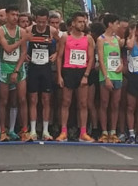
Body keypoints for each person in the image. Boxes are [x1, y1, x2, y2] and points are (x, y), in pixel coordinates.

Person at [55, 11, 95, 142]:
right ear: (73, 23)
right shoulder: (65, 37)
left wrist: (86, 75)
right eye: (79, 21)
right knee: (66, 102)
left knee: (83, 103)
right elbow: (59, 57)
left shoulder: (88, 38)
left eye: (84, 22)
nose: (82, 24)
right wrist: (59, 76)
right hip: (68, 71)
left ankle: (83, 132)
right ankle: (63, 131)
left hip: (82, 71)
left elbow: (91, 59)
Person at [0, 5, 30, 142]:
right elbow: (8, 49)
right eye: (13, 15)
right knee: (3, 100)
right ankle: (2, 130)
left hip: (18, 68)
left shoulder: (21, 31)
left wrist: (17, 70)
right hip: (4, 67)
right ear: (7, 15)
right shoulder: (0, 31)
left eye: (17, 15)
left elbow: (24, 52)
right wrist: (23, 39)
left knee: (21, 99)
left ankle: (24, 130)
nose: (15, 17)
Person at [26, 8, 56, 141]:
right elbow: (22, 43)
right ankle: (32, 130)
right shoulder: (29, 30)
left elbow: (62, 42)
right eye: (39, 22)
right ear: (35, 20)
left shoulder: (52, 31)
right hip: (33, 68)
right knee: (33, 99)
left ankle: (45, 130)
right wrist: (24, 54)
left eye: (44, 22)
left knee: (46, 100)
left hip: (46, 69)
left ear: (47, 21)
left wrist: (56, 54)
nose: (41, 25)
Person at [96, 13, 123, 142]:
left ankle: (113, 131)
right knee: (104, 103)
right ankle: (104, 131)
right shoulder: (101, 39)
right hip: (106, 75)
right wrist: (106, 77)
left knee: (115, 104)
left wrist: (122, 65)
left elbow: (121, 56)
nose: (118, 26)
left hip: (117, 75)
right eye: (116, 23)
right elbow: (101, 59)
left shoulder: (117, 39)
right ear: (110, 24)